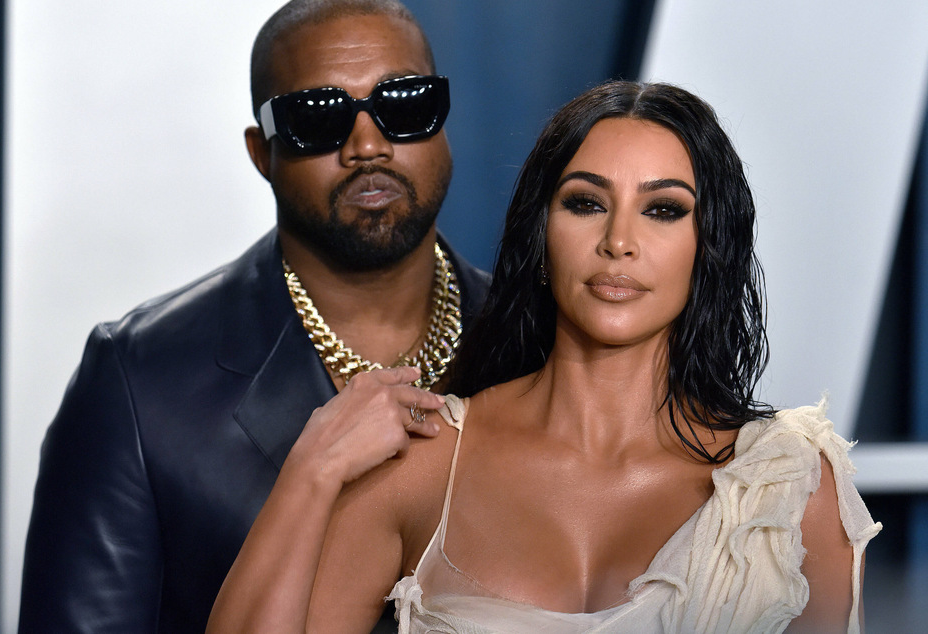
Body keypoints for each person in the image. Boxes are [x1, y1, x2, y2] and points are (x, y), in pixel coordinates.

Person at [207, 80, 881, 633]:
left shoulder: (789, 485)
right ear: (540, 232)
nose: (618, 240)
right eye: (585, 203)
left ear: (709, 248)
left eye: (663, 210)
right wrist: (312, 470)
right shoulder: (421, 462)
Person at [18, 1, 490, 632]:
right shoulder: (136, 381)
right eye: (317, 119)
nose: (368, 145)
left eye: (404, 105)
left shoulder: (547, 338)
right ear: (260, 152)